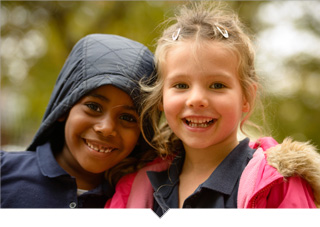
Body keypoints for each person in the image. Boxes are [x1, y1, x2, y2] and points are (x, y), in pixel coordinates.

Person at [105, 2, 320, 215]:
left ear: (246, 97)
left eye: (217, 85)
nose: (197, 99)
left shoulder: (278, 184)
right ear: (161, 97)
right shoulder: (134, 188)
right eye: (181, 85)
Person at [1, 34, 156, 208]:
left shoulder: (142, 200)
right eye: (94, 107)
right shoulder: (4, 172)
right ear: (64, 108)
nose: (106, 128)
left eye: (127, 118)